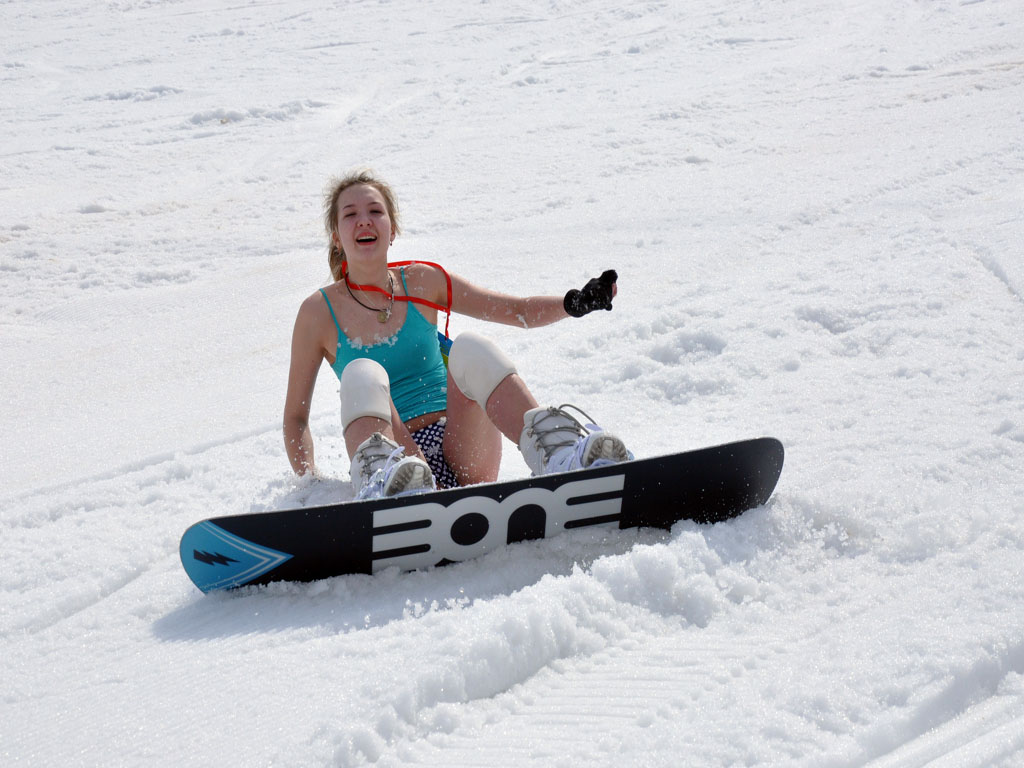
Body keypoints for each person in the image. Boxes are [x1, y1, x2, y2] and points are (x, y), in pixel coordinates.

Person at [283, 170, 631, 499]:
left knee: (469, 346)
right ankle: (388, 489)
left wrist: (574, 303)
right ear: (336, 237)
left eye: (376, 211)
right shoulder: (318, 312)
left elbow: (516, 311)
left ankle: (561, 458)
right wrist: (311, 486)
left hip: (463, 449)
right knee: (361, 373)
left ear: (392, 229)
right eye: (350, 214)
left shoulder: (422, 281)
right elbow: (296, 419)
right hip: (395, 463)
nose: (364, 220)